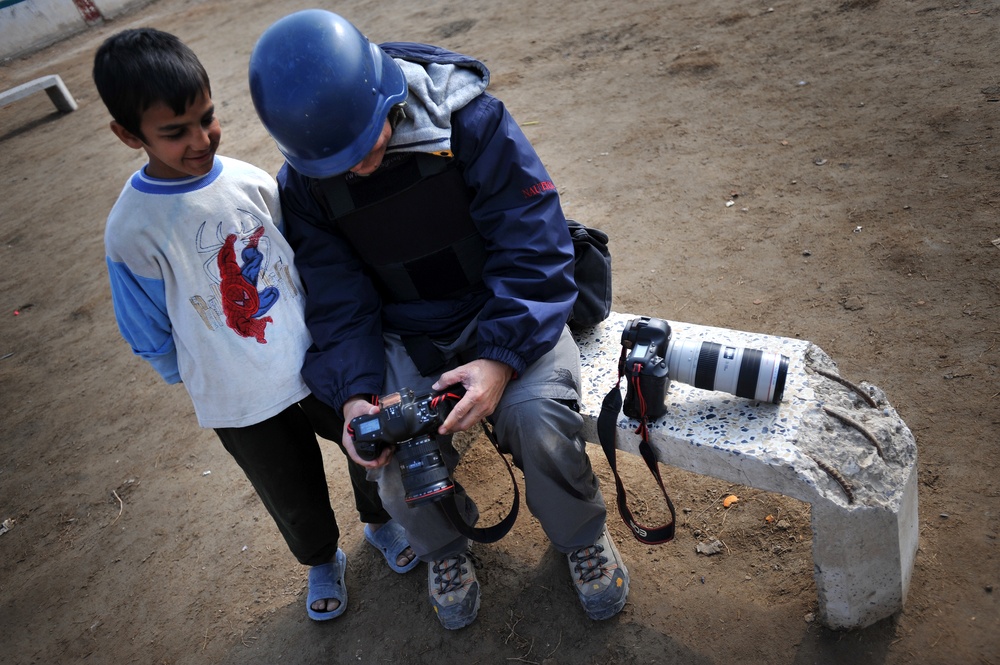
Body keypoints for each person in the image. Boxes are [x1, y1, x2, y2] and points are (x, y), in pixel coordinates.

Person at [248, 10, 630, 630]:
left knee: (539, 422)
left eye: (362, 146)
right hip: (407, 332)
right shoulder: (306, 183)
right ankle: (444, 549)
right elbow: (338, 297)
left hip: (505, 311)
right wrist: (354, 398)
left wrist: (501, 360)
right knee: (390, 456)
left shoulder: (473, 124)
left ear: (387, 98)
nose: (354, 170)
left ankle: (580, 534)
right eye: (333, 163)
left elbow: (534, 247)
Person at [92, 27, 418, 622]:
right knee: (286, 486)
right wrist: (190, 370)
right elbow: (143, 323)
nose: (201, 139)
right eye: (176, 131)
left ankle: (381, 524)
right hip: (236, 393)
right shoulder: (131, 229)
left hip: (317, 361)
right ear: (127, 134)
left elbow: (305, 254)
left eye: (207, 118)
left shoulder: (250, 180)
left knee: (366, 443)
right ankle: (321, 558)